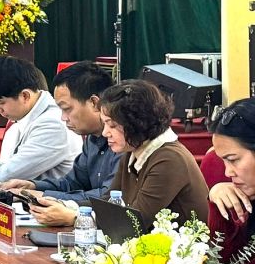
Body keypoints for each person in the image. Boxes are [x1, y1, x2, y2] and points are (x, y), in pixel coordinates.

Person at [33, 80, 208, 227]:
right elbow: (107, 202)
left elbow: (136, 220)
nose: (105, 133)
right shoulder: (132, 152)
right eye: (105, 124)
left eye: (112, 125)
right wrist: (63, 205)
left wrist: (74, 217)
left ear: (136, 123)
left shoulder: (169, 159)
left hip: (182, 254)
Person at [2, 61, 119, 211]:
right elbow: (72, 183)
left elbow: (108, 197)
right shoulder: (92, 139)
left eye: (67, 109)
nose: (63, 118)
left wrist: (44, 195)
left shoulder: (122, 140)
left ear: (94, 103)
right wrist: (33, 186)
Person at [0, 56, 81, 186]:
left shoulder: (53, 124)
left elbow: (7, 176)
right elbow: (11, 165)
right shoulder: (28, 116)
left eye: (1, 102)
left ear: (25, 96)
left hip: (50, 197)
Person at [204, 100, 255, 264]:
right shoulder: (242, 196)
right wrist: (217, 202)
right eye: (223, 161)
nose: (227, 172)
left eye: (233, 160)